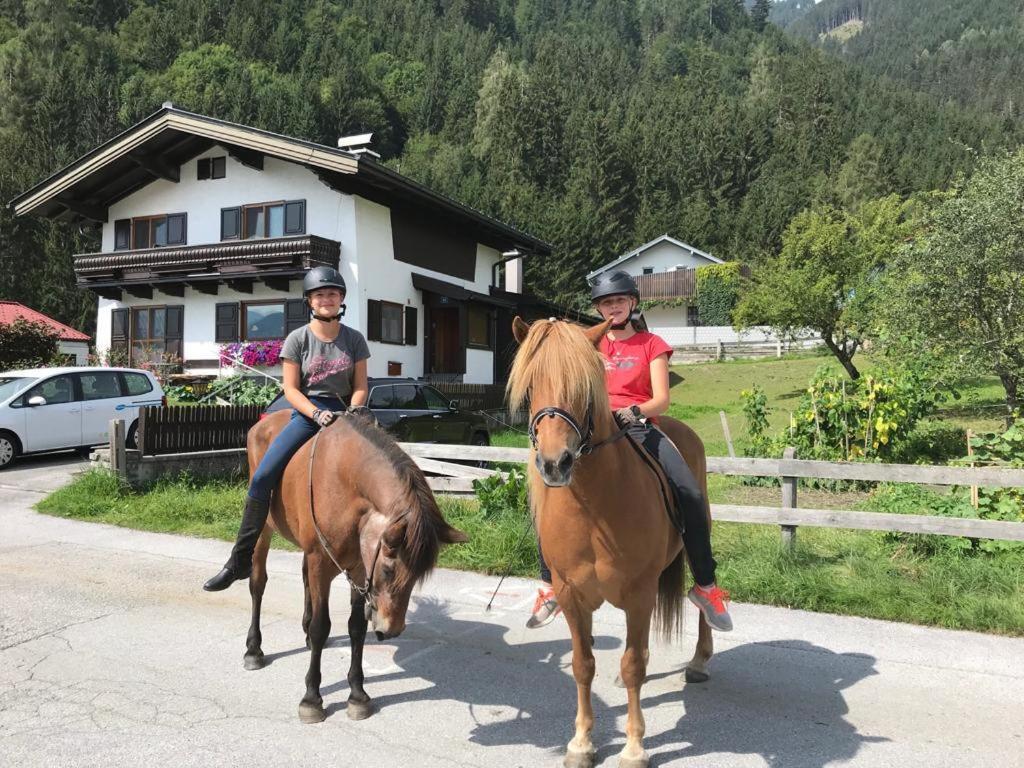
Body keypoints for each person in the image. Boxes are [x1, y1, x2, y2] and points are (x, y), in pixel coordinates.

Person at [527, 269, 733, 631]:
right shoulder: (588, 343)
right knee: (545, 488)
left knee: (689, 491)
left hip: (639, 425)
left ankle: (706, 585)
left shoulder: (652, 344)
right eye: (606, 302)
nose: (613, 307)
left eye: (620, 300)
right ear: (598, 307)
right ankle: (549, 583)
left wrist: (633, 411)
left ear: (632, 303)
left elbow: (662, 400)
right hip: (593, 429)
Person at [203, 265, 370, 592]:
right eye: (320, 294)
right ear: (310, 300)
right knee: (263, 476)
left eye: (332, 293)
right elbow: (291, 389)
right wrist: (316, 413)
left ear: (342, 299)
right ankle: (239, 559)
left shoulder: (354, 339)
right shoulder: (298, 339)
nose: (327, 299)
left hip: (347, 416)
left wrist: (354, 411)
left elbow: (361, 385)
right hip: (307, 415)